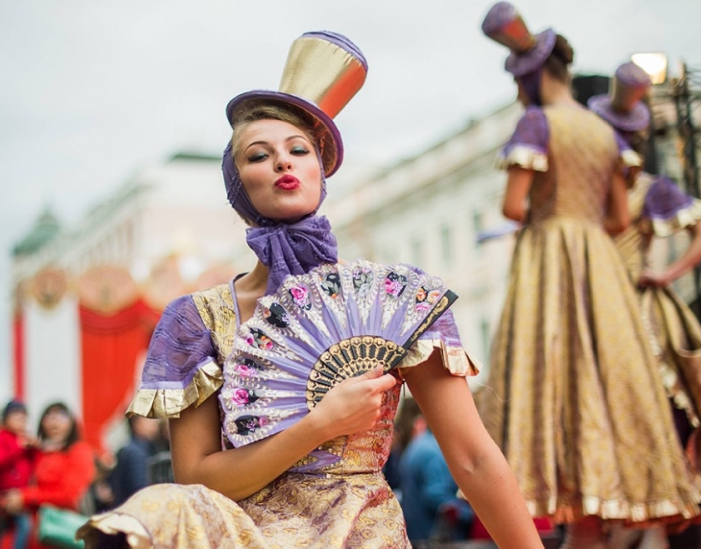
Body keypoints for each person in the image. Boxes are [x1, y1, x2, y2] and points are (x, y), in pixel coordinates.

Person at [77, 30, 543, 549]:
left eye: (299, 149)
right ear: (238, 185)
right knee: (158, 506)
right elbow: (196, 480)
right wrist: (320, 424)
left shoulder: (394, 299)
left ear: (321, 170)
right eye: (258, 155)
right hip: (242, 531)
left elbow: (474, 459)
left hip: (359, 533)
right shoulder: (196, 319)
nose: (282, 162)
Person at [474, 4, 701, 548]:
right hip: (599, 259)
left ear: (529, 78)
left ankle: (577, 510)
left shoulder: (537, 122)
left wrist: (552, 213)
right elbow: (621, 219)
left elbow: (513, 207)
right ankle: (608, 503)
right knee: (607, 376)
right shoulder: (606, 132)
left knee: (549, 371)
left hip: (550, 252)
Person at [588, 61, 701, 548]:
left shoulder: (650, 188)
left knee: (657, 412)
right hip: (602, 313)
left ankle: (653, 521)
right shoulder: (590, 192)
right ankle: (629, 519)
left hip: (637, 313)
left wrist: (665, 274)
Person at [0, 402, 95, 549]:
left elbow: (68, 495)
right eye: (49, 416)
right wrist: (7, 501)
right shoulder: (39, 452)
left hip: (61, 533)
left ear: (72, 422)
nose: (55, 421)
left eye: (61, 415)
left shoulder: (79, 451)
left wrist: (26, 497)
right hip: (32, 534)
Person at [399, 415, 462, 546]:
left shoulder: (418, 443)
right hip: (428, 531)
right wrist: (468, 513)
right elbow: (435, 495)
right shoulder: (433, 452)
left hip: (412, 527)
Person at [0, 400, 37, 549]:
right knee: (24, 525)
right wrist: (18, 447)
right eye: (16, 416)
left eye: (23, 417)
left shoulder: (26, 438)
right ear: (6, 419)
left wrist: (35, 448)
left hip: (27, 493)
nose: (20, 421)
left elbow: (36, 465)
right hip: (8, 494)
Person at [109, 416, 160, 506]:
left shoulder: (137, 448)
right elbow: (139, 489)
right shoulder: (136, 453)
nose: (154, 423)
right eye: (149, 419)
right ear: (136, 423)